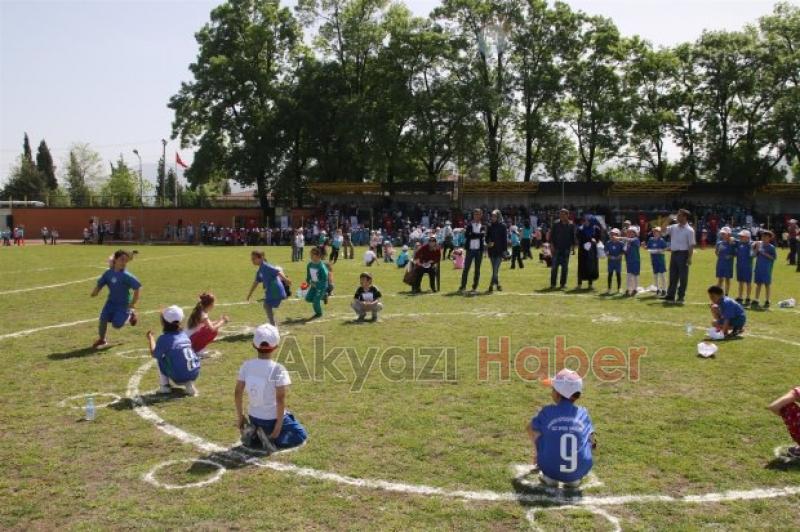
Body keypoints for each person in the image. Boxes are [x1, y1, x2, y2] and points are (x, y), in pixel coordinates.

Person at [236, 324, 308, 452]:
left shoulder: (246, 366)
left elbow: (238, 392)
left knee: (269, 422)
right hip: (271, 419)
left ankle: (254, 434)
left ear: (254, 344)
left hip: (254, 417)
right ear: (276, 346)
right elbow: (280, 399)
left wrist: (241, 417)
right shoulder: (278, 369)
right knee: (300, 434)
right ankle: (270, 438)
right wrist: (278, 428)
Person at [527, 369, 596, 488]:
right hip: (579, 470)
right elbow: (592, 441)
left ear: (558, 393)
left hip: (549, 468)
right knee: (587, 437)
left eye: (553, 389)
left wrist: (537, 453)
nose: (551, 392)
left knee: (539, 429)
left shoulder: (547, 411)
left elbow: (530, 428)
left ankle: (549, 477)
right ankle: (574, 477)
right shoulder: (583, 413)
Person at [90, 249, 141, 349]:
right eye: (122, 260)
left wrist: (133, 303)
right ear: (115, 260)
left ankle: (131, 314)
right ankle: (102, 339)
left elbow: (137, 288)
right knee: (103, 319)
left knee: (116, 325)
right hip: (111, 302)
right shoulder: (108, 273)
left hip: (123, 304)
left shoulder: (127, 276)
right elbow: (101, 283)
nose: (124, 263)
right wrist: (96, 291)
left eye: (126, 261)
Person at [146, 306, 200, 396]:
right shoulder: (184, 335)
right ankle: (189, 385)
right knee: (182, 358)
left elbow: (154, 354)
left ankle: (164, 387)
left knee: (161, 358)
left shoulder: (164, 338)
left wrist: (151, 338)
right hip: (195, 372)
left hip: (178, 377)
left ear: (164, 322)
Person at [247, 250, 290, 327]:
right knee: (267, 306)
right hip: (271, 291)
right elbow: (256, 282)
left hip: (276, 289)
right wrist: (249, 294)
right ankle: (272, 323)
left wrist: (285, 279)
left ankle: (273, 325)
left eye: (254, 258)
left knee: (267, 305)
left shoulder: (266, 266)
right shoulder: (260, 270)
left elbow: (277, 272)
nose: (252, 260)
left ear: (261, 258)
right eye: (252, 259)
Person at [663, 209, 695, 304]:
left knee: (683, 277)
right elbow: (663, 231)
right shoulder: (673, 227)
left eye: (679, 215)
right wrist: (668, 220)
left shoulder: (690, 230)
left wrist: (689, 257)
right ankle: (670, 295)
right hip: (674, 253)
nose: (677, 216)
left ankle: (681, 296)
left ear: (684, 217)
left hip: (683, 254)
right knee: (673, 276)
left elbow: (691, 245)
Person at [547, 209, 575, 290]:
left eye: (563, 214)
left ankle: (563, 284)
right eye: (560, 214)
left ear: (567, 215)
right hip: (556, 249)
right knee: (554, 267)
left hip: (566, 249)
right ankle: (553, 284)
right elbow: (551, 236)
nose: (561, 216)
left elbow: (572, 237)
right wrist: (551, 246)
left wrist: (573, 247)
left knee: (565, 268)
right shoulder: (555, 224)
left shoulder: (571, 224)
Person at [459, 209, 485, 293]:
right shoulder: (469, 225)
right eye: (475, 214)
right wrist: (478, 235)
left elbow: (482, 235)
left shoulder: (483, 226)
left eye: (478, 214)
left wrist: (473, 234)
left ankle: (474, 287)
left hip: (479, 251)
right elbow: (467, 236)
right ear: (473, 215)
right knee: (466, 269)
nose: (476, 216)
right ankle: (463, 286)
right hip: (470, 250)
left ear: (481, 215)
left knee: (477, 270)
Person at [752, 230, 776, 309]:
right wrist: (757, 248)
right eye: (763, 236)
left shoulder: (771, 247)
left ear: (770, 238)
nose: (764, 238)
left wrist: (764, 253)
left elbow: (773, 258)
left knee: (767, 285)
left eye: (766, 237)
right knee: (758, 284)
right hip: (758, 267)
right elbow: (754, 255)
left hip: (767, 268)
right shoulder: (759, 245)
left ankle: (767, 299)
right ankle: (756, 299)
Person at [485, 209, 508, 292]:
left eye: (494, 216)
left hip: (499, 250)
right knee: (495, 269)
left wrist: (505, 251)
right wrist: (488, 242)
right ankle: (498, 285)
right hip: (491, 250)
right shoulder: (490, 226)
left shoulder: (503, 226)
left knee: (495, 269)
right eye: (492, 216)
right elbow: (487, 237)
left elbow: (504, 239)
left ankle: (491, 285)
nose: (492, 217)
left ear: (498, 216)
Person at [576, 215, 600, 290]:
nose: (585, 222)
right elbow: (578, 237)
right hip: (583, 250)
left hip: (592, 250)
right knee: (581, 266)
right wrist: (589, 239)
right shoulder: (581, 228)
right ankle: (579, 284)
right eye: (585, 220)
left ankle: (590, 284)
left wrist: (595, 240)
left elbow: (598, 238)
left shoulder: (596, 229)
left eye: (587, 220)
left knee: (591, 266)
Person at [305, 247, 329, 318]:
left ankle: (319, 313)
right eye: (310, 255)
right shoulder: (309, 265)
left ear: (318, 256)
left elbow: (325, 279)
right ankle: (323, 296)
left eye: (312, 255)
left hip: (321, 286)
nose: (311, 256)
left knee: (316, 301)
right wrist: (308, 282)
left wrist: (317, 284)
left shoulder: (321, 267)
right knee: (308, 298)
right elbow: (309, 276)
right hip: (313, 285)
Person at [735, 229, 755, 306]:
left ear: (747, 237)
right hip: (739, 266)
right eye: (740, 236)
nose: (740, 237)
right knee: (740, 282)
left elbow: (752, 254)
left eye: (742, 236)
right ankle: (740, 297)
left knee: (748, 283)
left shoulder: (751, 245)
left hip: (747, 267)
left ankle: (748, 298)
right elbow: (733, 240)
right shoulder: (739, 244)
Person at [646, 227, 668, 296]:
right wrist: (644, 246)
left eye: (657, 232)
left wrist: (660, 251)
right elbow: (648, 248)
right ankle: (658, 289)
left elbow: (665, 248)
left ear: (660, 233)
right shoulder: (651, 240)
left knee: (662, 275)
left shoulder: (661, 240)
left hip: (660, 260)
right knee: (655, 275)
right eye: (654, 232)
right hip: (654, 260)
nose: (655, 233)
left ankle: (664, 289)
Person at [715, 227, 736, 296]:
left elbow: (735, 253)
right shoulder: (719, 243)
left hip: (728, 264)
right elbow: (716, 253)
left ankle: (726, 294)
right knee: (720, 279)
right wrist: (718, 251)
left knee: (727, 279)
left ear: (729, 234)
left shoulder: (732, 243)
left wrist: (730, 256)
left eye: (724, 234)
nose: (722, 235)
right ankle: (718, 294)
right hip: (720, 263)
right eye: (722, 233)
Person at [623, 226, 641, 297]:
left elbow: (631, 240)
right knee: (629, 275)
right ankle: (628, 289)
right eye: (628, 232)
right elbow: (625, 251)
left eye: (631, 232)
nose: (629, 233)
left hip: (635, 260)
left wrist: (620, 238)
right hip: (629, 261)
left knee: (635, 275)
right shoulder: (627, 242)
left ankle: (635, 289)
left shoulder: (636, 239)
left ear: (635, 233)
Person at [605, 228, 625, 293]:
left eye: (615, 234)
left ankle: (619, 288)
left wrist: (620, 255)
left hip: (618, 262)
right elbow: (606, 251)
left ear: (618, 235)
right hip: (610, 261)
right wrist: (610, 256)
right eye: (612, 234)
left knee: (618, 274)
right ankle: (609, 288)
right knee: (610, 274)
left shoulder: (621, 243)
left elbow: (623, 251)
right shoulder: (608, 243)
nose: (613, 236)